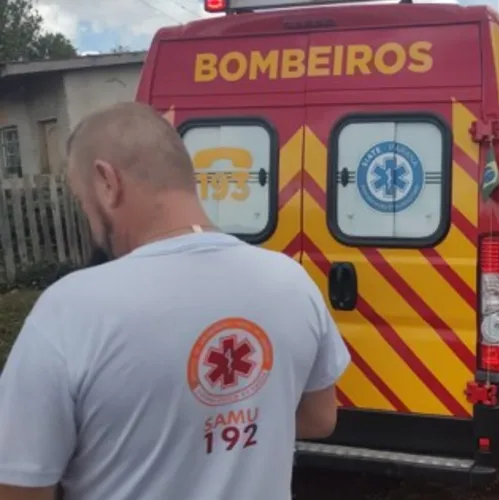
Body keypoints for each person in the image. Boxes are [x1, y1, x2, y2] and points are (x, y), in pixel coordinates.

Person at [0, 103, 350, 500]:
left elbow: (20, 487)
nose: (90, 223)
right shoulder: (291, 280)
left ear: (106, 182)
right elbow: (321, 418)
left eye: (83, 203)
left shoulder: (69, 309)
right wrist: (221, 430)